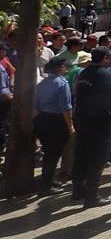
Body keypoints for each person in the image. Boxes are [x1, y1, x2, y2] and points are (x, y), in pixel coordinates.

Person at [73, 46, 111, 208]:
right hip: (99, 121)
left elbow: (76, 91)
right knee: (98, 157)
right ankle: (92, 196)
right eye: (109, 57)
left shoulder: (83, 73)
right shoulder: (108, 74)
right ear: (104, 59)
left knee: (81, 154)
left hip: (81, 118)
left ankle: (77, 190)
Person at [33, 57, 73, 196]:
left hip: (42, 119)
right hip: (56, 121)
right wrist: (70, 126)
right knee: (53, 154)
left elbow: (36, 106)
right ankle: (45, 186)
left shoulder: (42, 83)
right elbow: (66, 108)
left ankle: (48, 180)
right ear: (59, 68)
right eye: (64, 66)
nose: (66, 69)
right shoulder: (62, 83)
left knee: (49, 152)